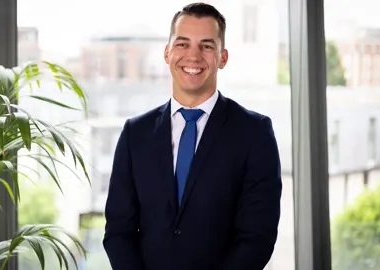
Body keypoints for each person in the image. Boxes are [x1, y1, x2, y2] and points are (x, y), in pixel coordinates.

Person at [103, 2, 282, 270]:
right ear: (167, 52)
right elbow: (118, 232)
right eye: (182, 44)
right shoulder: (135, 134)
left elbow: (256, 238)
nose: (193, 56)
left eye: (207, 46)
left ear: (223, 57)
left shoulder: (254, 133)